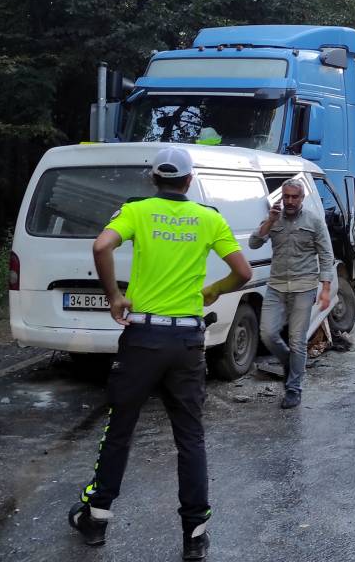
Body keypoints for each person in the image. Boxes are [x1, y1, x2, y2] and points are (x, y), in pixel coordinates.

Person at [70, 146, 252, 558]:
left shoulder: (136, 210)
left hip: (142, 338)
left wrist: (115, 296)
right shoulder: (209, 218)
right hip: (187, 341)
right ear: (188, 181)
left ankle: (96, 519)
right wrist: (213, 291)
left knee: (121, 428)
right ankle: (194, 535)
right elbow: (243, 272)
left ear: (153, 179)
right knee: (190, 436)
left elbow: (101, 247)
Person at [249, 178, 334, 410]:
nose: (289, 201)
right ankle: (289, 361)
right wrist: (269, 221)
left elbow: (326, 255)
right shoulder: (273, 218)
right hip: (276, 286)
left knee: (297, 341)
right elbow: (254, 243)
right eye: (286, 196)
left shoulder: (314, 221)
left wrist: (325, 289)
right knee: (267, 333)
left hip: (303, 287)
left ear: (302, 198)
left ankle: (293, 388)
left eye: (294, 197)